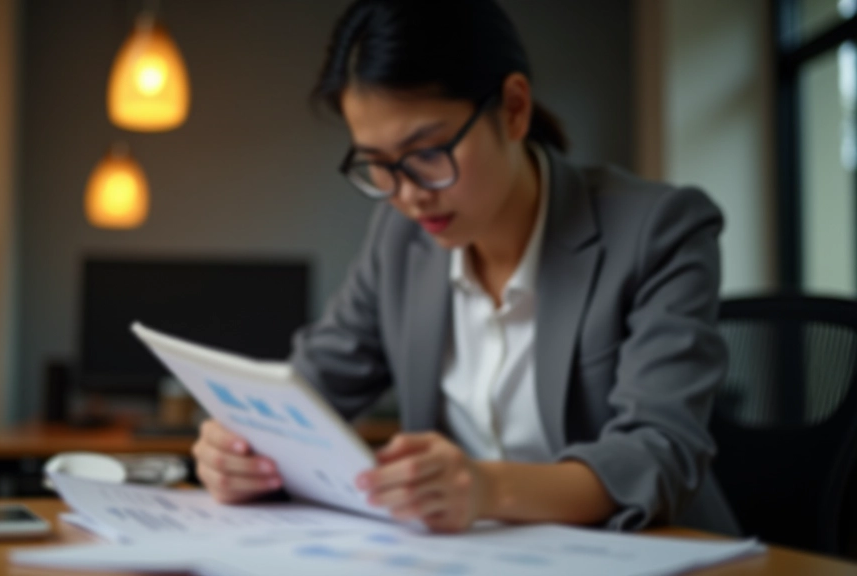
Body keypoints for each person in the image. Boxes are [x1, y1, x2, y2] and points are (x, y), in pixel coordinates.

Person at [190, 0, 740, 536]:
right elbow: (310, 387)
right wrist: (240, 446)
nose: (406, 195)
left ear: (515, 108)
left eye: (428, 152)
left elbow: (659, 453)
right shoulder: (399, 238)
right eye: (377, 166)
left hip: (644, 553)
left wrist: (486, 489)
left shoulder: (659, 230)